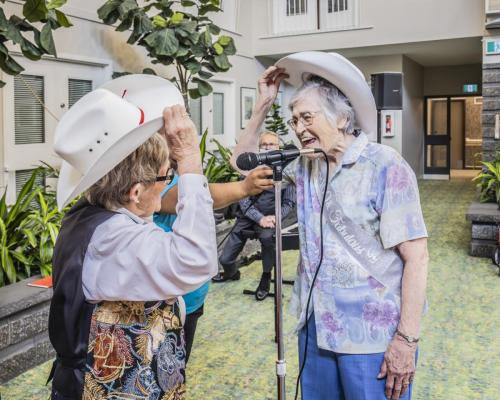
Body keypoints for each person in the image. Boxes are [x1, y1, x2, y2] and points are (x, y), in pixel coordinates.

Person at [231, 52, 429, 400]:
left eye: (306, 117)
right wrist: (262, 106)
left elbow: (418, 257)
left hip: (371, 332)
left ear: (341, 118)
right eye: (293, 121)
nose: (298, 129)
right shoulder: (304, 165)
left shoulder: (385, 166)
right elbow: (243, 167)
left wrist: (406, 339)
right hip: (316, 326)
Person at [47, 74, 245, 400]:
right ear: (136, 191)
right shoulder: (113, 239)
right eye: (167, 177)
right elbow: (196, 261)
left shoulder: (99, 215)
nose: (169, 183)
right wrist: (190, 161)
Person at [154, 165, 274, 362]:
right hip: (164, 301)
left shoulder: (176, 174)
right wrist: (243, 188)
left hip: (192, 298)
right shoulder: (152, 183)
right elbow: (185, 196)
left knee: (179, 364)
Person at [212, 131, 296, 301]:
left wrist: (274, 217)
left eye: (271, 144)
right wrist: (259, 218)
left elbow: (289, 203)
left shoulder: (287, 170)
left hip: (271, 218)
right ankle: (231, 273)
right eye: (264, 144)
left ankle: (266, 277)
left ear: (278, 147)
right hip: (247, 218)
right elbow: (243, 200)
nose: (267, 147)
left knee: (267, 240)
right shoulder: (250, 168)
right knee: (225, 259)